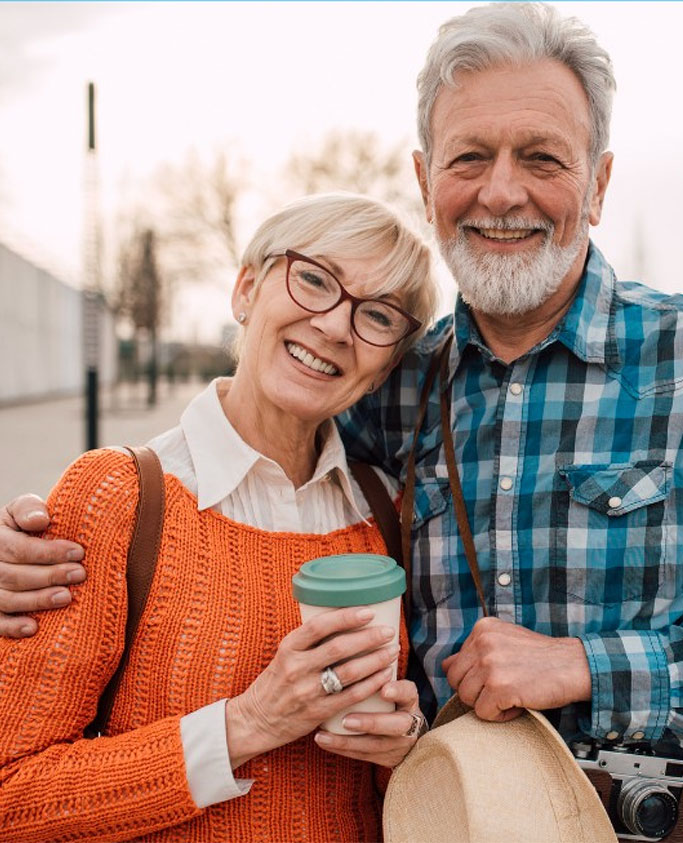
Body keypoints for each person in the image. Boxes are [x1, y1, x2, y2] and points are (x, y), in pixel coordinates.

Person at [2, 4, 683, 841]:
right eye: (469, 157)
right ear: (425, 182)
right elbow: (249, 468)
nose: (500, 190)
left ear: (597, 184)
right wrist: (46, 544)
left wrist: (583, 666)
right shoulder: (391, 384)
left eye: (541, 157)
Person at [0, 192, 437, 841]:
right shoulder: (117, 497)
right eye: (314, 279)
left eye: (377, 315)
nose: (335, 325)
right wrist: (249, 723)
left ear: (384, 367)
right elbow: (13, 794)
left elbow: (374, 795)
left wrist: (402, 743)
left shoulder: (385, 513)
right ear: (246, 290)